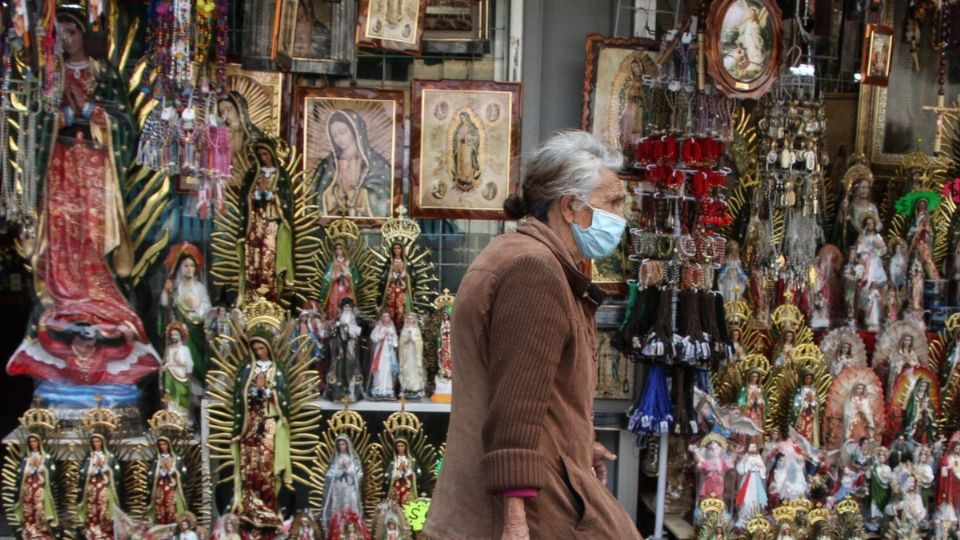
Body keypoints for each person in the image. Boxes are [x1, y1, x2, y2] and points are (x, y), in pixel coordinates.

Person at [424, 131, 640, 538]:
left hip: (533, 489)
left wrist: (577, 444)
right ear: (571, 207)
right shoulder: (534, 270)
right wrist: (515, 521)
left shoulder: (514, 253)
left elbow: (537, 392)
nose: (620, 216)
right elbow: (515, 410)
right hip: (529, 510)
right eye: (612, 202)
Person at [6, 5, 160, 386]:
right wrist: (53, 117)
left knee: (92, 234)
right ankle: (62, 298)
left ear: (84, 35)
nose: (67, 41)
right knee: (61, 233)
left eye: (72, 33)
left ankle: (98, 296)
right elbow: (35, 121)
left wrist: (93, 113)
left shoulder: (102, 73)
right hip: (59, 169)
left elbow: (123, 122)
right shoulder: (48, 76)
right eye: (59, 34)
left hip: (94, 169)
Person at [314, 109, 392, 218]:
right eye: (334, 135)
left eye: (342, 132)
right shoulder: (328, 164)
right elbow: (315, 197)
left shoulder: (377, 163)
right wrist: (332, 195)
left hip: (367, 227)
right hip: (334, 224)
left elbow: (383, 195)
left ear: (355, 130)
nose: (339, 139)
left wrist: (359, 195)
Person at [14, 434, 58, 539]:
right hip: (28, 488)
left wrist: (40, 467)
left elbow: (52, 474)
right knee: (28, 509)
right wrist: (29, 469)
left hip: (40, 487)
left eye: (35, 441)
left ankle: (42, 532)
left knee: (40, 510)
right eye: (31, 442)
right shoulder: (26, 458)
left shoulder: (46, 457)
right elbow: (20, 473)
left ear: (39, 442)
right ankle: (30, 531)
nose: (33, 443)